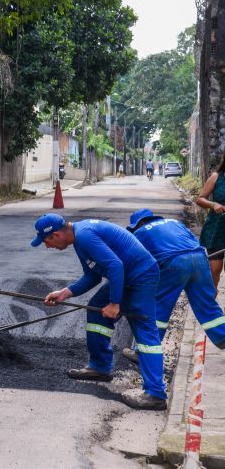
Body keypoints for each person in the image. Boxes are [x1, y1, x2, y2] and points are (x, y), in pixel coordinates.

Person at [32, 213, 167, 410]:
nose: (47, 246)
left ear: (57, 234)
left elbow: (115, 265)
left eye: (46, 241)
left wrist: (114, 303)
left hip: (140, 276)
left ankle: (155, 394)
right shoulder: (79, 239)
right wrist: (65, 293)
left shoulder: (85, 235)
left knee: (144, 329)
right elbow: (92, 276)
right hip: (126, 276)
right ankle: (100, 367)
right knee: (96, 310)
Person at [124, 209, 225, 361]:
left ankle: (144, 353)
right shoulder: (175, 223)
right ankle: (223, 336)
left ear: (141, 223)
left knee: (159, 307)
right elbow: (195, 243)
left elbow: (140, 261)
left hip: (174, 263)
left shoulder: (140, 233)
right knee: (208, 305)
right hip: (199, 258)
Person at [197, 156, 225, 288]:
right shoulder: (216, 177)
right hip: (216, 230)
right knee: (214, 270)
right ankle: (211, 303)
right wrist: (213, 205)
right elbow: (200, 199)